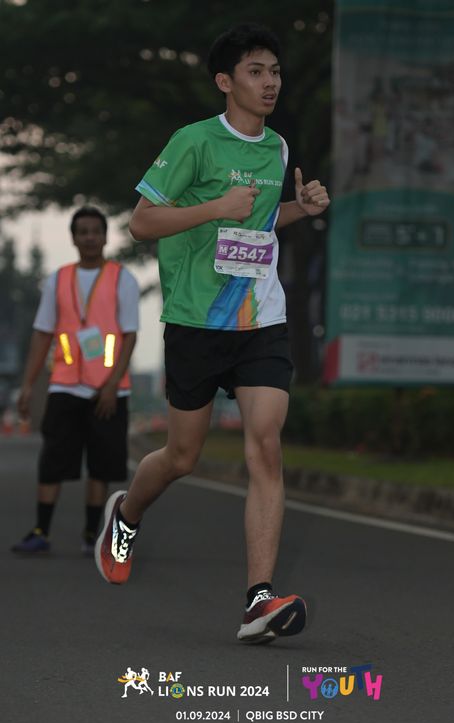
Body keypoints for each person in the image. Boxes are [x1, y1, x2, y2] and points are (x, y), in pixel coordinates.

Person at [95, 23, 330, 644]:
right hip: (196, 321)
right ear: (226, 81)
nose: (270, 82)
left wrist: (300, 210)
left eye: (274, 71)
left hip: (260, 318)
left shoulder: (278, 148)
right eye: (256, 71)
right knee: (182, 456)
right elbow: (142, 223)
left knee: (266, 445)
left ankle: (258, 600)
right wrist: (214, 208)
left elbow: (258, 224)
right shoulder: (193, 142)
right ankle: (127, 514)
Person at [11, 206, 139, 556]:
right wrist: (28, 384)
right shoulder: (59, 279)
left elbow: (129, 335)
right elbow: (42, 333)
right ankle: (40, 531)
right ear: (73, 238)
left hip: (108, 389)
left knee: (101, 464)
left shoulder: (122, 279)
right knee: (53, 459)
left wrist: (112, 385)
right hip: (65, 384)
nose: (89, 238)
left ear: (105, 236)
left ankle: (90, 535)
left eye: (95, 231)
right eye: (82, 232)